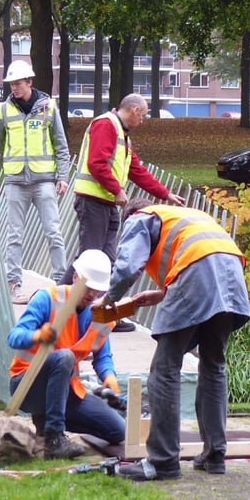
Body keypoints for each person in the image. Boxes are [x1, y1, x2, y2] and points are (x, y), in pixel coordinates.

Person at [104, 199, 250, 481]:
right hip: (231, 271)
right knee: (213, 364)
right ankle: (215, 454)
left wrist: (109, 300)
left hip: (199, 270)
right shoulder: (186, 215)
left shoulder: (141, 217)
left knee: (164, 369)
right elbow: (203, 257)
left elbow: (126, 267)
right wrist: (161, 294)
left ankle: (163, 461)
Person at [63, 93, 185, 329]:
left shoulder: (123, 137)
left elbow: (136, 170)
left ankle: (102, 314)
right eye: (144, 114)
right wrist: (117, 190)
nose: (144, 120)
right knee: (88, 258)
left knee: (108, 260)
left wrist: (164, 194)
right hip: (93, 201)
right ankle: (60, 306)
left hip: (106, 203)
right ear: (135, 110)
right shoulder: (105, 125)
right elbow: (96, 164)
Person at [6, 249, 126, 459]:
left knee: (118, 430)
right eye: (88, 288)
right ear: (75, 277)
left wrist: (109, 377)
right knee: (64, 357)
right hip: (26, 386)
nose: (91, 295)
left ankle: (48, 420)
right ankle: (54, 440)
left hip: (65, 390)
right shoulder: (48, 298)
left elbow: (102, 356)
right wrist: (37, 335)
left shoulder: (97, 313)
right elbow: (13, 337)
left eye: (97, 291)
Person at [0, 60, 70, 304]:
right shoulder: (3, 110)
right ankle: (15, 285)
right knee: (14, 236)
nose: (14, 88)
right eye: (12, 83)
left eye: (18, 83)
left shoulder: (49, 108)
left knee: (54, 233)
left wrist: (62, 176)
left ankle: (60, 284)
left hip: (44, 180)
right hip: (14, 182)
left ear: (29, 82)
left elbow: (61, 145)